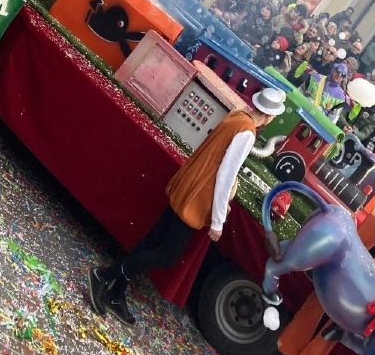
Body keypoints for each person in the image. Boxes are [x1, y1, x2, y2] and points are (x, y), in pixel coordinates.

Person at [86, 86, 286, 325]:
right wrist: (218, 220)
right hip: (197, 196)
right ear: (270, 116)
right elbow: (226, 175)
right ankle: (104, 275)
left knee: (152, 241)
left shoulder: (237, 117)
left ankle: (116, 293)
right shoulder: (247, 132)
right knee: (167, 256)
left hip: (188, 183)